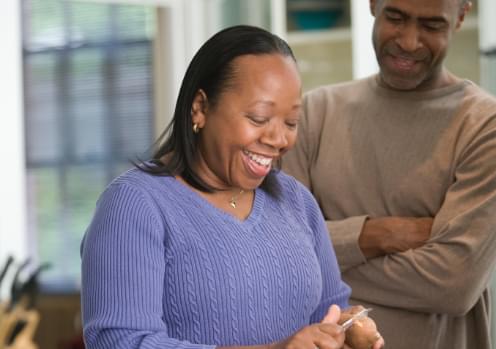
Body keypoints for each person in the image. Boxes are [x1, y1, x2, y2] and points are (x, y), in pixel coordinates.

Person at [80, 25, 384, 349]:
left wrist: (347, 330)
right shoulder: (134, 205)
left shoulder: (297, 202)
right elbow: (119, 342)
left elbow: (329, 312)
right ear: (200, 107)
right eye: (258, 118)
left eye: (291, 123)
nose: (279, 139)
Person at [282, 0, 496, 348]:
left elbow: (454, 284)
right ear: (372, 5)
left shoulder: (487, 127)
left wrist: (322, 252)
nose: (410, 41)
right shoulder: (314, 114)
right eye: (396, 18)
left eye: (431, 26)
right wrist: (374, 235)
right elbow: (282, 254)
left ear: (461, 17)